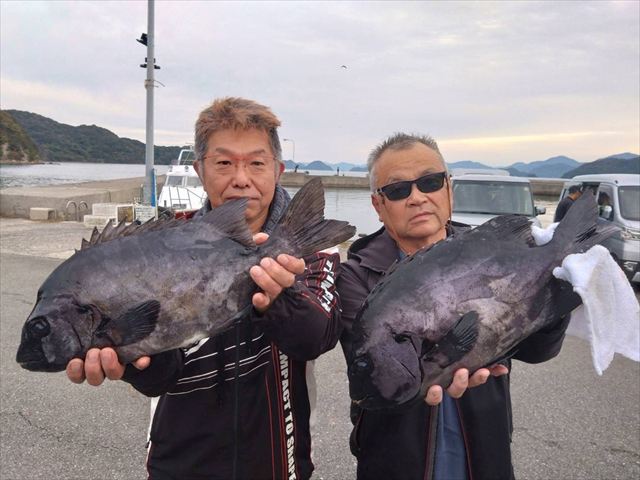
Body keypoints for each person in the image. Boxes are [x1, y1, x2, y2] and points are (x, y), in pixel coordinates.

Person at [66, 97, 342, 480]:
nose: (241, 178)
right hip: (177, 462)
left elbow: (316, 338)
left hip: (278, 462)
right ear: (200, 169)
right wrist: (130, 357)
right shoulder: (163, 249)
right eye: (224, 163)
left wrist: (279, 300)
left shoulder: (307, 250)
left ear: (278, 170)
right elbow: (161, 377)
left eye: (257, 163)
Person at [337, 133, 572, 480]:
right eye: (398, 190)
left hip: (484, 455)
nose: (418, 198)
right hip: (392, 461)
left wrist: (554, 289)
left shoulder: (492, 249)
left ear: (449, 188)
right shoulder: (355, 275)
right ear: (378, 205)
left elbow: (538, 351)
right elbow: (379, 376)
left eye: (430, 182)